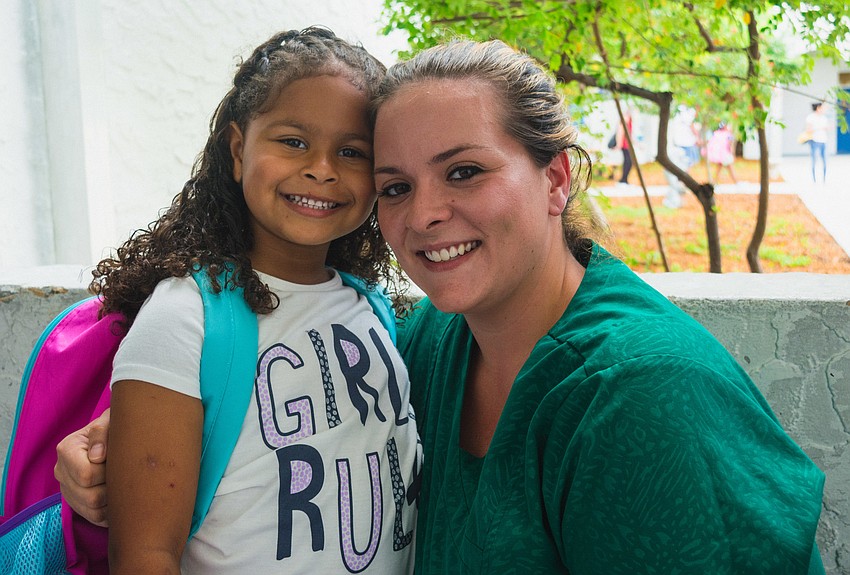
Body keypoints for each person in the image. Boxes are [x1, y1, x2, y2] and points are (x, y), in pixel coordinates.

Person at [56, 38, 826, 573]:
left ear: (557, 179)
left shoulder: (638, 395)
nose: (423, 214)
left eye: (463, 172)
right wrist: (127, 436)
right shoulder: (431, 343)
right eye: (396, 186)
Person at [85, 27, 420, 574]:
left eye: (352, 151)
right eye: (293, 141)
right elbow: (144, 556)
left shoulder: (374, 310)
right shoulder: (185, 316)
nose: (322, 168)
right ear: (239, 150)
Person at [805, 102, 829, 183]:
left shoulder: (824, 118)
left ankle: (824, 179)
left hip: (823, 141)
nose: (824, 110)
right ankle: (814, 179)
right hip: (814, 141)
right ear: (818, 108)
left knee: (825, 161)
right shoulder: (810, 117)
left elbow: (827, 128)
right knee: (814, 160)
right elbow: (808, 130)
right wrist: (820, 127)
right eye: (822, 108)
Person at [615, 106, 634, 185]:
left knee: (628, 162)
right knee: (628, 162)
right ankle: (623, 180)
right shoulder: (626, 118)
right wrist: (619, 144)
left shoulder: (630, 119)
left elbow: (630, 133)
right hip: (625, 145)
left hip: (627, 145)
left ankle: (624, 179)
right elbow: (620, 131)